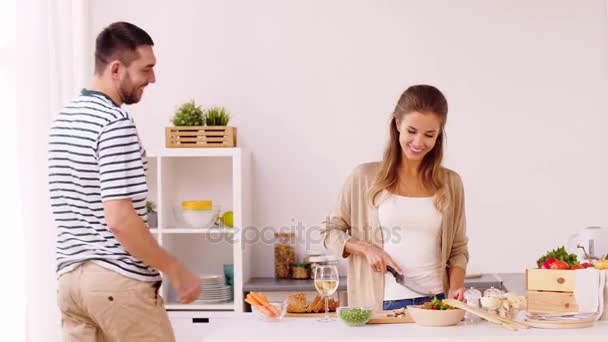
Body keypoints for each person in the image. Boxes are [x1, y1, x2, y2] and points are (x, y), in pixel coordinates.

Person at [48, 22, 200, 341]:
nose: (153, 79)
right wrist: (175, 269)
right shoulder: (115, 124)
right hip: (116, 281)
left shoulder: (64, 120)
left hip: (70, 283)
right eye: (147, 69)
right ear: (116, 69)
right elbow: (119, 218)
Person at [321, 84, 469, 311]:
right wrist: (366, 248)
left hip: (436, 302)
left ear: (439, 134)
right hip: (381, 303)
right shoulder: (364, 177)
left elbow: (458, 248)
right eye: (411, 131)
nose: (419, 142)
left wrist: (456, 288)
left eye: (429, 134)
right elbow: (329, 232)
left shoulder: (450, 183)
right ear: (397, 124)